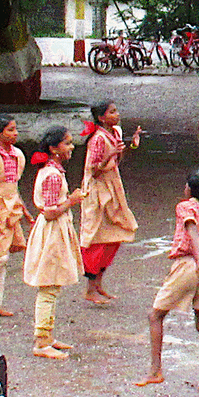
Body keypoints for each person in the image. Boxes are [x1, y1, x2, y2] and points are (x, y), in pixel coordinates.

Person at [138, 169, 199, 391]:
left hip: (189, 263)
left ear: (190, 189)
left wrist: (195, 258)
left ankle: (155, 370)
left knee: (155, 315)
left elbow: (191, 228)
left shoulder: (186, 206)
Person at [23, 126, 84, 359]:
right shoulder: (51, 175)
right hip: (52, 232)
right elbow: (50, 212)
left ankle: (47, 337)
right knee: (48, 285)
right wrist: (72, 200)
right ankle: (41, 341)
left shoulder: (53, 171)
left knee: (53, 284)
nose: (71, 147)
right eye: (67, 143)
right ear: (53, 148)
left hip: (55, 230)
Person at [80, 100, 140, 305]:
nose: (117, 115)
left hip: (112, 187)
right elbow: (94, 171)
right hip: (99, 191)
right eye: (112, 112)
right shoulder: (97, 139)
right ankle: (90, 288)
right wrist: (111, 155)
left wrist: (131, 145)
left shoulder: (114, 133)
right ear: (101, 117)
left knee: (113, 235)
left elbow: (118, 161)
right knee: (96, 237)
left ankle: (98, 284)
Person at [0, 114, 33, 317]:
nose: (15, 133)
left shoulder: (18, 155)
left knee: (3, 257)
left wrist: (25, 212)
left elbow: (14, 187)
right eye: (10, 130)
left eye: (15, 129)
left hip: (10, 210)